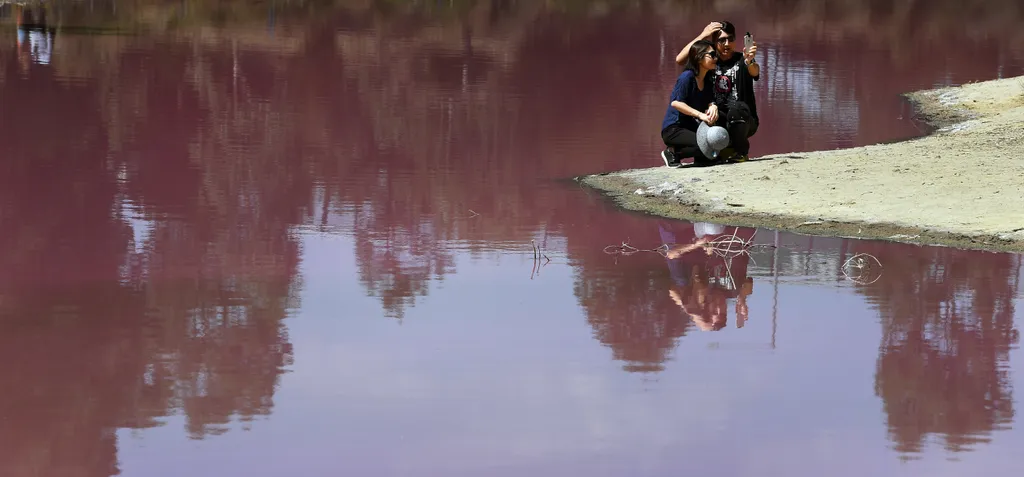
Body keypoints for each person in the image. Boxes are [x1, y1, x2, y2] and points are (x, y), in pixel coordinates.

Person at [675, 21, 760, 162]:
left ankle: (740, 151)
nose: (727, 44)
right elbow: (680, 59)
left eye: (730, 39)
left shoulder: (742, 59)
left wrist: (750, 61)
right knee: (705, 160)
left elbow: (754, 71)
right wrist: (703, 35)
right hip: (717, 119)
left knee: (737, 109)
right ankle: (720, 150)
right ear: (714, 42)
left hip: (743, 121)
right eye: (722, 40)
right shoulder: (709, 61)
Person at [659, 40, 720, 168]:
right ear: (698, 57)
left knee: (713, 142)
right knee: (703, 144)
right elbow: (676, 103)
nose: (716, 58)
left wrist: (713, 106)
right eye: (712, 54)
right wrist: (700, 115)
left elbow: (709, 99)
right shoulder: (687, 77)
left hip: (690, 126)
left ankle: (700, 158)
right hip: (674, 128)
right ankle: (672, 152)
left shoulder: (707, 79)